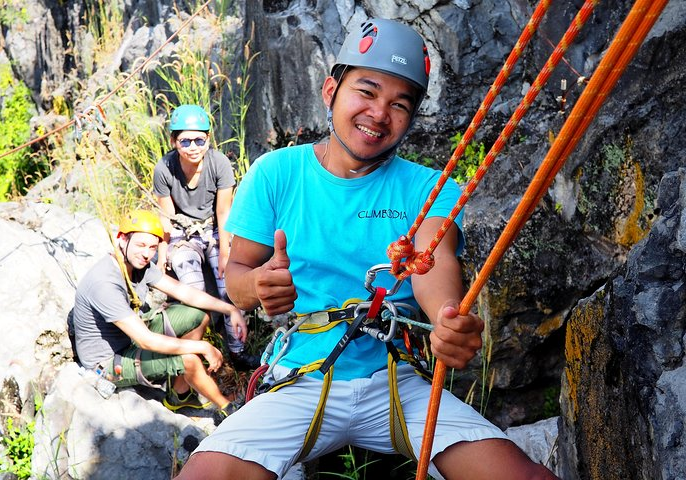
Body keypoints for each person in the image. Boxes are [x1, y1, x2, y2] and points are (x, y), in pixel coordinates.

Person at [175, 18, 559, 480]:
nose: (379, 113)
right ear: (330, 90)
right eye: (367, 91)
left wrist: (446, 321)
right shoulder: (275, 173)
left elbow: (431, 262)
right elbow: (236, 279)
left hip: (396, 380)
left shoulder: (429, 188)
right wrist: (258, 285)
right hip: (303, 375)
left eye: (400, 104)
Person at [71, 209, 245, 423]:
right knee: (189, 359)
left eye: (153, 247)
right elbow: (146, 339)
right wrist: (203, 347)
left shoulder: (138, 266)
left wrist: (230, 309)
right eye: (141, 245)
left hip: (130, 338)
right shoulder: (105, 282)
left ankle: (179, 394)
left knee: (198, 314)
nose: (146, 254)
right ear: (122, 239)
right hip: (106, 362)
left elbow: (184, 292)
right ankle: (230, 409)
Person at [153, 104, 259, 371]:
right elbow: (167, 218)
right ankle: (195, 358)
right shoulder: (164, 169)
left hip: (214, 230)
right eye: (185, 141)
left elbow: (224, 212)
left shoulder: (219, 163)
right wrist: (162, 256)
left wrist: (225, 253)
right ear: (173, 141)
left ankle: (237, 351)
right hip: (183, 232)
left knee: (230, 290)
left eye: (199, 140)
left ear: (208, 139)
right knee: (194, 293)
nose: (193, 147)